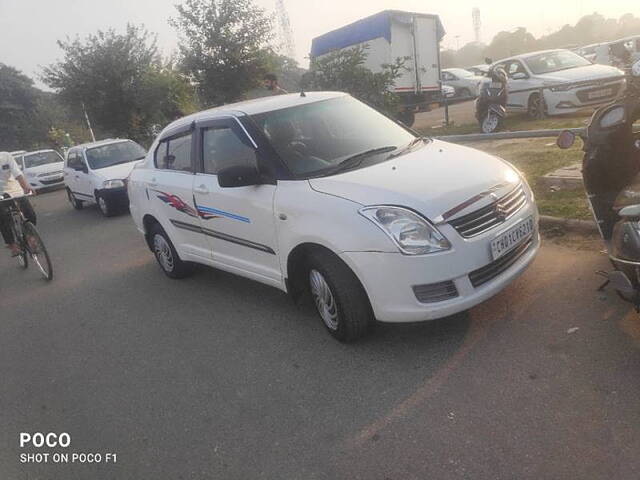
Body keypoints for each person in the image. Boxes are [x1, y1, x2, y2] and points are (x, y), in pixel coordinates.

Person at [0, 151, 36, 256]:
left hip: (15, 190)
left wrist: (26, 186)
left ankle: (30, 237)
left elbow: (17, 173)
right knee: (3, 218)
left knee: (30, 213)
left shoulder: (6, 156)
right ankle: (12, 245)